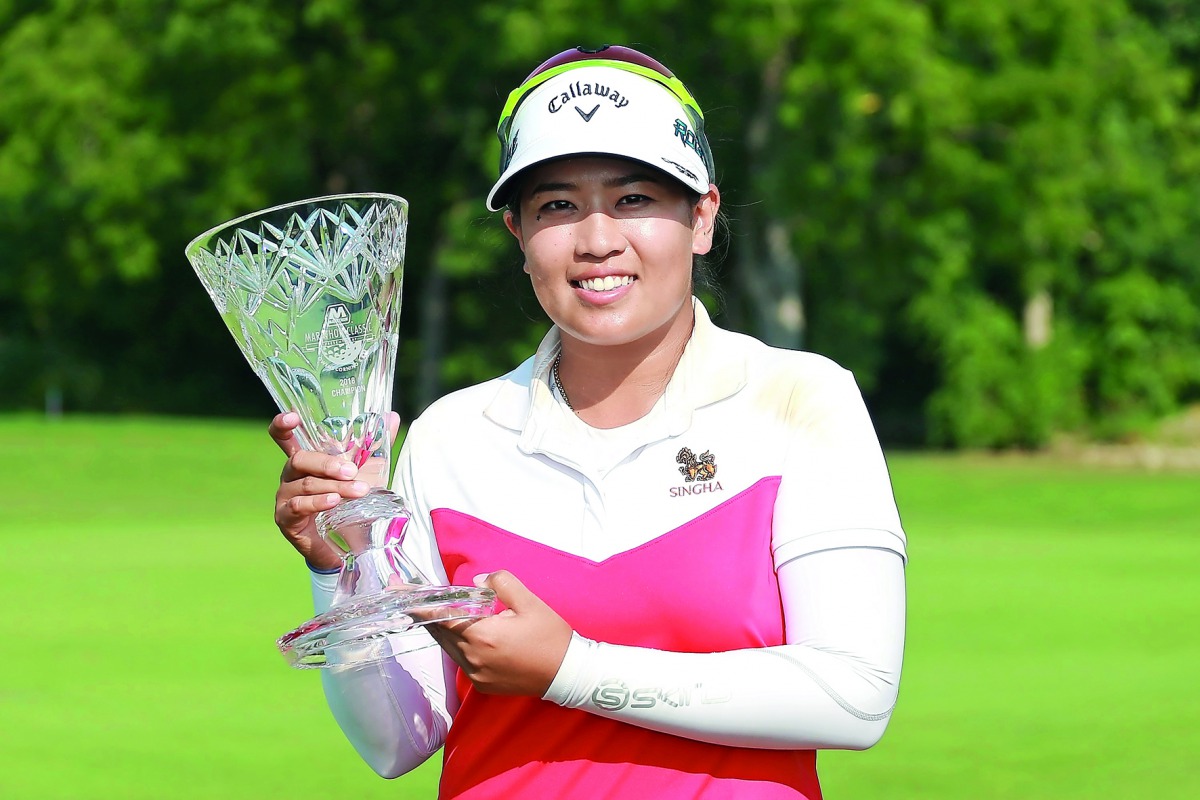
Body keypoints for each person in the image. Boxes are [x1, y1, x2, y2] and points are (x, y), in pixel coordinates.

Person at [270, 45, 907, 799]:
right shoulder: (452, 436)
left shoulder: (799, 398)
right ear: (518, 234)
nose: (598, 239)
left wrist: (572, 669)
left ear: (702, 217)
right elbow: (396, 741)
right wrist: (341, 563)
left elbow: (855, 695)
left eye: (636, 199)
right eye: (558, 206)